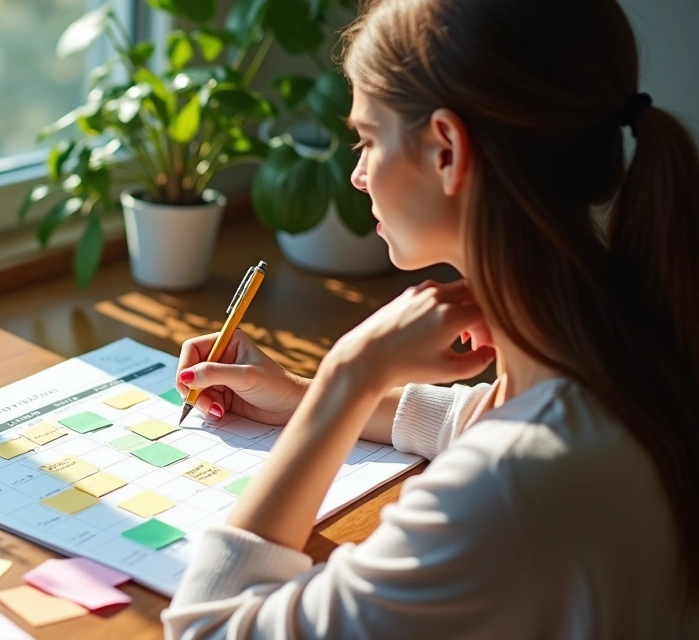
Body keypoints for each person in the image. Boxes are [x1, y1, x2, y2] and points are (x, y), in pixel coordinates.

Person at [161, 0, 699, 637]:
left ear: (446, 149)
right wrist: (304, 401)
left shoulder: (509, 488)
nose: (358, 175)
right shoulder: (637, 339)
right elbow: (491, 420)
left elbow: (206, 627)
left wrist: (346, 379)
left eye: (367, 138)